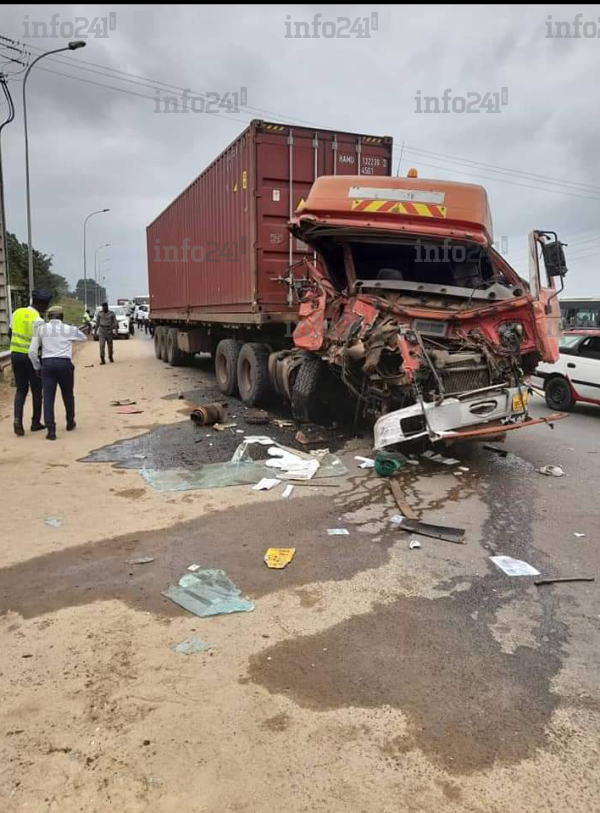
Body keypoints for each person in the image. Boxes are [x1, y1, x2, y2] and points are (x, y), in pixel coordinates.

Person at [29, 306, 87, 440]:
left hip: (47, 365)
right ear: (62, 316)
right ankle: (70, 422)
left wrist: (37, 367)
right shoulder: (68, 329)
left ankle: (51, 430)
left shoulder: (41, 329)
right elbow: (83, 337)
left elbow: (32, 352)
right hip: (64, 364)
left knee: (48, 397)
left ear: (48, 317)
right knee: (68, 394)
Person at [8, 289, 52, 436]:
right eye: (45, 306)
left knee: (21, 389)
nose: (45, 309)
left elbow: (10, 333)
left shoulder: (17, 313)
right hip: (31, 358)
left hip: (15, 355)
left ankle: (17, 420)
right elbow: (40, 342)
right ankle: (35, 422)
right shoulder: (38, 319)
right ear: (42, 304)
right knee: (36, 390)